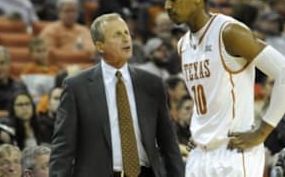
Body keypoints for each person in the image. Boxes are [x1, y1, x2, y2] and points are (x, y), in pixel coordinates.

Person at [164, 0, 285, 176]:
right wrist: (202, 130)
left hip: (233, 152)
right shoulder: (183, 45)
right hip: (200, 154)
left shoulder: (229, 32)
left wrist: (261, 132)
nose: (167, 6)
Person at [49, 13, 184, 177]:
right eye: (117, 35)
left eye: (126, 33)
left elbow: (168, 143)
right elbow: (63, 147)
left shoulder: (151, 83)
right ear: (100, 46)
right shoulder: (77, 86)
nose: (126, 39)